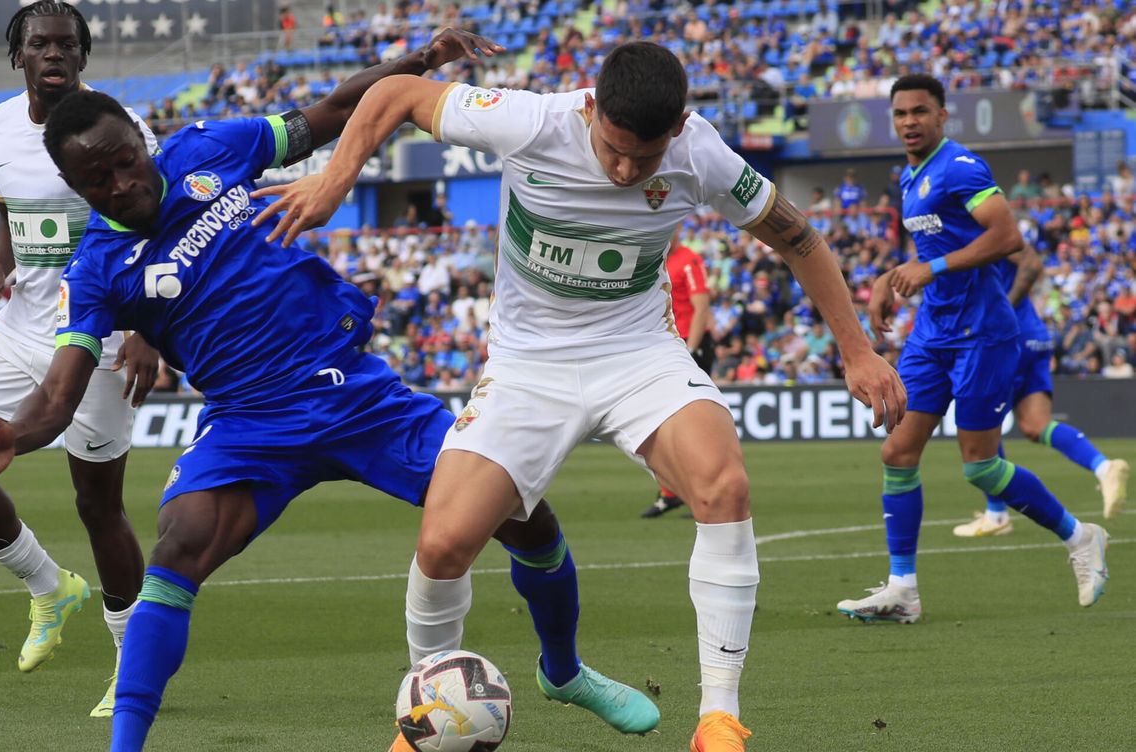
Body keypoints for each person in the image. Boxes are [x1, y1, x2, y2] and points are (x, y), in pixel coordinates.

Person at [0, 30, 653, 752]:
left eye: (125, 162)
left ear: (139, 140)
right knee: (178, 547)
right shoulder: (96, 268)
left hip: (355, 394)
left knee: (523, 514)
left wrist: (412, 65)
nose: (121, 184)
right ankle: (126, 745)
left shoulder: (207, 149)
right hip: (251, 424)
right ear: (77, 190)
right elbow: (59, 394)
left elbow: (328, 113)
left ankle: (563, 672)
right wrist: (20, 435)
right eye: (98, 182)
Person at [255, 41, 906, 752]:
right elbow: (398, 94)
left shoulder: (703, 153)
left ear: (679, 127)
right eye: (613, 150)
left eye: (645, 158)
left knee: (724, 486)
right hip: (528, 365)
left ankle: (719, 717)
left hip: (638, 354)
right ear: (590, 109)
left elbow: (799, 238)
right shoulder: (531, 121)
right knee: (444, 543)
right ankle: (428, 718)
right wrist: (334, 179)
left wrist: (856, 349)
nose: (626, 171)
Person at [0, 0, 164, 718]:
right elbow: (9, 213)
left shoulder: (118, 126)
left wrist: (147, 331)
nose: (54, 53)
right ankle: (49, 587)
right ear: (19, 56)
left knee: (98, 505)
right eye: (40, 44)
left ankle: (133, 663)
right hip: (20, 328)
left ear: (83, 56)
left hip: (99, 340)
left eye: (66, 44)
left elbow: (156, 223)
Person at [845, 74, 1110, 624]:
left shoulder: (961, 167)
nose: (909, 121)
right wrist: (886, 282)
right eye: (900, 114)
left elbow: (1007, 236)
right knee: (896, 452)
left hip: (984, 334)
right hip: (932, 333)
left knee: (981, 468)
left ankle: (1081, 536)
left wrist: (931, 268)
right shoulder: (910, 176)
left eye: (920, 111)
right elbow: (930, 250)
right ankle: (903, 589)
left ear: (943, 116)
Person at [952, 244, 1128, 536]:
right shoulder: (987, 223)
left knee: (982, 423)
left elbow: (1030, 263)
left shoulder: (981, 226)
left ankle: (996, 514)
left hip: (1006, 337)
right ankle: (1103, 467)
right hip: (1033, 334)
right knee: (1037, 425)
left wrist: (1001, 310)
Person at [641, 239, 713, 519]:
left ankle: (703, 494)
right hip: (662, 345)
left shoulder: (689, 260)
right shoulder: (654, 255)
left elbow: (701, 306)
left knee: (695, 423)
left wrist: (692, 350)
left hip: (686, 345)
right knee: (657, 421)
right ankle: (670, 493)